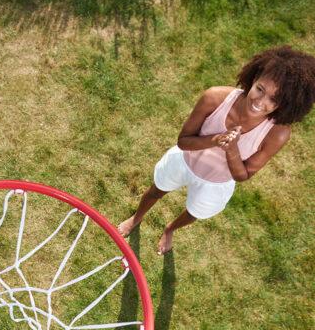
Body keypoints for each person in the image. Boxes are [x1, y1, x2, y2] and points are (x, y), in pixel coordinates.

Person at [118, 46, 315, 254]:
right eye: (260, 89)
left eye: (273, 100)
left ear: (286, 105)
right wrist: (216, 140)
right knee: (156, 190)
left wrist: (231, 150)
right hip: (184, 160)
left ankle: (170, 229)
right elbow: (184, 141)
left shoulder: (277, 134)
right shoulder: (215, 97)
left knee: (194, 213)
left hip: (216, 183)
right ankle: (136, 218)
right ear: (255, 77)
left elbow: (243, 175)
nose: (260, 102)